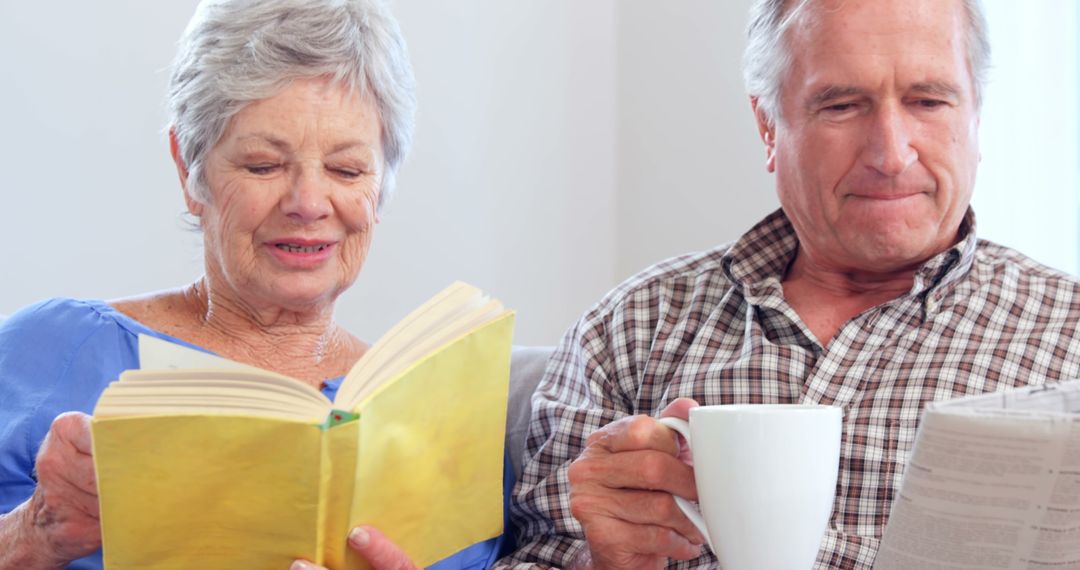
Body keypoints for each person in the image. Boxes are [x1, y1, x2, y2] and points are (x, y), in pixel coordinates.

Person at [498, 0, 1080, 568]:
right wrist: (609, 564)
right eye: (843, 106)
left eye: (928, 101)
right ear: (768, 126)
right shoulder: (632, 327)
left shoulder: (1068, 333)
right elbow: (536, 558)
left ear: (976, 116)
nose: (892, 154)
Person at [0, 1, 507, 569]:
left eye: (347, 170)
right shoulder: (49, 351)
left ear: (383, 185)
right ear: (189, 169)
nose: (309, 204)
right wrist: (33, 533)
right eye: (263, 165)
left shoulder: (442, 420)